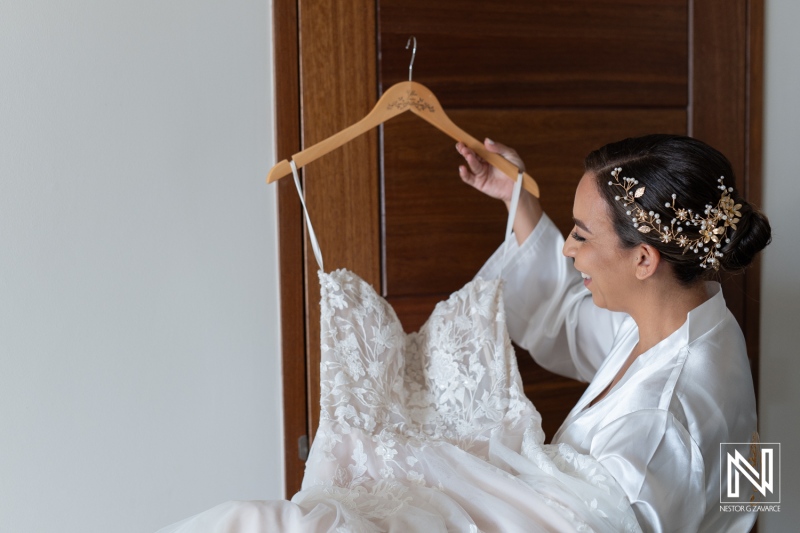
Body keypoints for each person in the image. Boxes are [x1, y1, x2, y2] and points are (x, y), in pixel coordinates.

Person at [457, 133, 772, 532]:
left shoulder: (656, 426)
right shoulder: (704, 324)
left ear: (644, 258)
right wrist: (517, 198)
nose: (568, 249)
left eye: (581, 235)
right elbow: (566, 315)